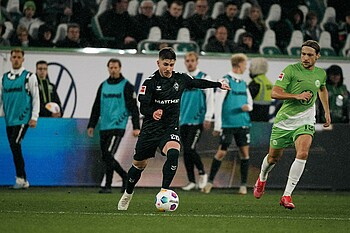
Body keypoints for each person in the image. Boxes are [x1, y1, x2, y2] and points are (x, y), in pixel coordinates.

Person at [117, 47, 230, 210]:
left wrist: (218, 84)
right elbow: (143, 108)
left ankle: (164, 191)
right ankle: (127, 194)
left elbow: (198, 83)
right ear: (158, 63)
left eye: (171, 64)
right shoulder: (149, 83)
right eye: (165, 64)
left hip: (169, 128)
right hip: (150, 130)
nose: (168, 68)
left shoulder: (180, 79)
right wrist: (153, 112)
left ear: (174, 64)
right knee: (139, 166)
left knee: (174, 152)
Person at [253, 40, 331, 209]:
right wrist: (296, 96)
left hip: (306, 120)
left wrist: (326, 111)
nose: (305, 58)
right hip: (285, 121)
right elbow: (275, 92)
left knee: (303, 153)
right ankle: (262, 177)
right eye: (303, 54)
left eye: (310, 55)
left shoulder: (320, 74)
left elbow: (322, 89)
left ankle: (287, 195)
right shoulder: (290, 70)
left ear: (317, 56)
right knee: (273, 157)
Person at [87, 58, 140, 194]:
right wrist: (91, 124)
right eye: (111, 67)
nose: (113, 70)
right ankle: (109, 185)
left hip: (118, 125)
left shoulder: (126, 86)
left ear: (120, 68)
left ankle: (123, 177)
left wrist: (135, 126)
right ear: (108, 68)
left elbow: (134, 108)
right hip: (104, 126)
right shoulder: (103, 86)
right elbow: (96, 106)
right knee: (106, 156)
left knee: (108, 154)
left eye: (115, 67)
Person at [203, 53, 253, 195]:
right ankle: (210, 182)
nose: (246, 67)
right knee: (221, 152)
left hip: (243, 123)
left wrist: (247, 108)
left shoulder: (244, 83)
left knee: (244, 153)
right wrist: (218, 125)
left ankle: (243, 185)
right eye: (245, 64)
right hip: (228, 125)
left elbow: (250, 103)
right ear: (238, 65)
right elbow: (218, 104)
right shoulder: (225, 81)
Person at [0, 48, 40, 189]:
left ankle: (20, 178)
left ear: (23, 59)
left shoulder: (29, 76)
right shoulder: (3, 78)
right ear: (10, 59)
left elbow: (36, 97)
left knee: (14, 144)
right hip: (9, 119)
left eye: (18, 57)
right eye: (14, 57)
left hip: (23, 119)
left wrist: (34, 117)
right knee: (14, 146)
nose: (16, 59)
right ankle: (24, 180)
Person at [180, 51, 213, 191]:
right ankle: (191, 181)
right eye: (187, 60)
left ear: (197, 61)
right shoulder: (182, 79)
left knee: (190, 148)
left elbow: (210, 98)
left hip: (197, 121)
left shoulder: (204, 77)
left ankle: (202, 173)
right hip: (183, 121)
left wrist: (208, 117)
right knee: (185, 151)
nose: (190, 63)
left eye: (192, 60)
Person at [248, 57, 273, 122]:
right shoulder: (269, 83)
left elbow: (246, 100)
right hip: (265, 119)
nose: (249, 69)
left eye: (251, 66)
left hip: (254, 119)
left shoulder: (256, 83)